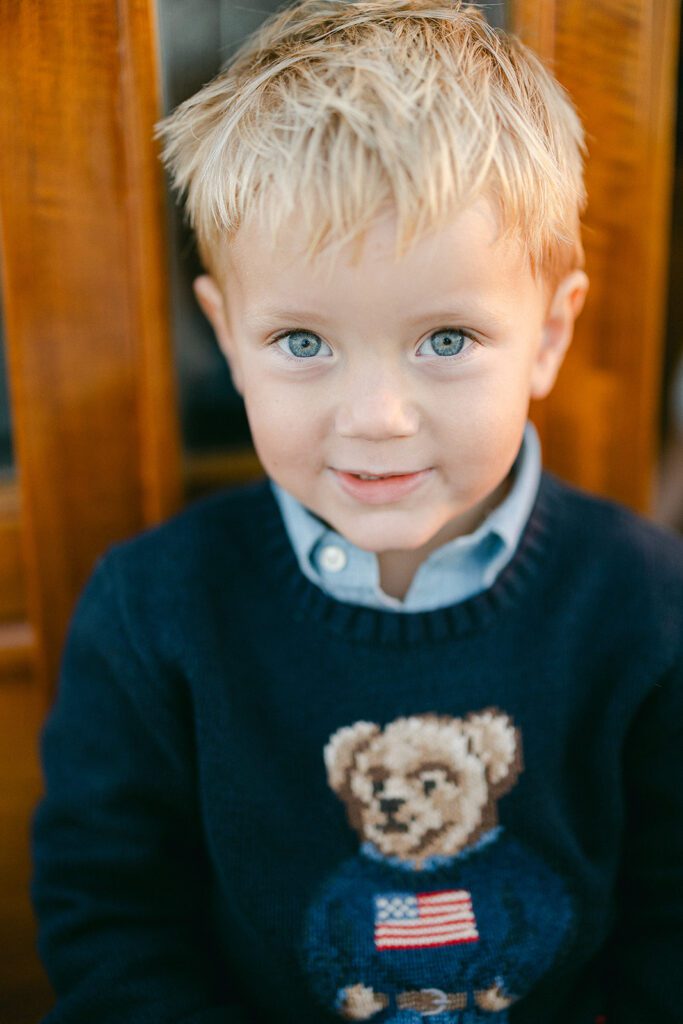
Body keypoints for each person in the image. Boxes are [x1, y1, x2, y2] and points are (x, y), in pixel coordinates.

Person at [30, 2, 683, 1022]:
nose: (376, 418)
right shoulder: (154, 609)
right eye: (301, 342)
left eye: (444, 338)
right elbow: (111, 912)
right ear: (227, 336)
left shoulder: (645, 603)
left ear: (548, 337)